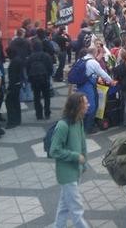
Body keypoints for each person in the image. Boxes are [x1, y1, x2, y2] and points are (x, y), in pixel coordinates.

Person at [50, 92, 90, 228]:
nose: (88, 105)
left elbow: (82, 142)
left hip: (75, 171)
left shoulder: (79, 121)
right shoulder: (63, 125)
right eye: (85, 103)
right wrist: (75, 156)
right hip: (66, 174)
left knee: (64, 206)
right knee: (76, 208)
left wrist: (84, 163)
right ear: (78, 106)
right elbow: (54, 150)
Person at [77, 46, 116, 134]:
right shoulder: (93, 62)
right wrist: (111, 81)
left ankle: (81, 125)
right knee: (91, 106)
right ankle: (88, 127)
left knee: (81, 105)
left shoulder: (81, 60)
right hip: (88, 86)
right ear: (95, 53)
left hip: (80, 85)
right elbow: (103, 74)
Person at [27, 40, 54, 120]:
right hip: (45, 78)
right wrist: (48, 75)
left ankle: (39, 114)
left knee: (36, 97)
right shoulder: (46, 56)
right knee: (46, 96)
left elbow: (27, 69)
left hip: (34, 80)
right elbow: (50, 67)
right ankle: (47, 113)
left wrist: (30, 78)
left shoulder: (31, 57)